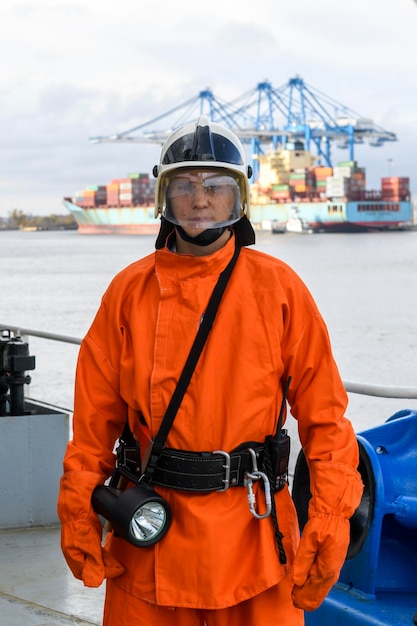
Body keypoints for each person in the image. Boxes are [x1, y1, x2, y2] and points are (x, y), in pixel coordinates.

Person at [57, 116, 363, 626]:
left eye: (216, 186)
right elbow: (92, 427)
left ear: (237, 197)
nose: (200, 200)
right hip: (149, 538)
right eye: (185, 186)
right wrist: (77, 510)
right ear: (165, 197)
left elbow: (326, 422)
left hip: (255, 539)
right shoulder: (126, 295)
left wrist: (330, 520)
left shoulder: (280, 290)